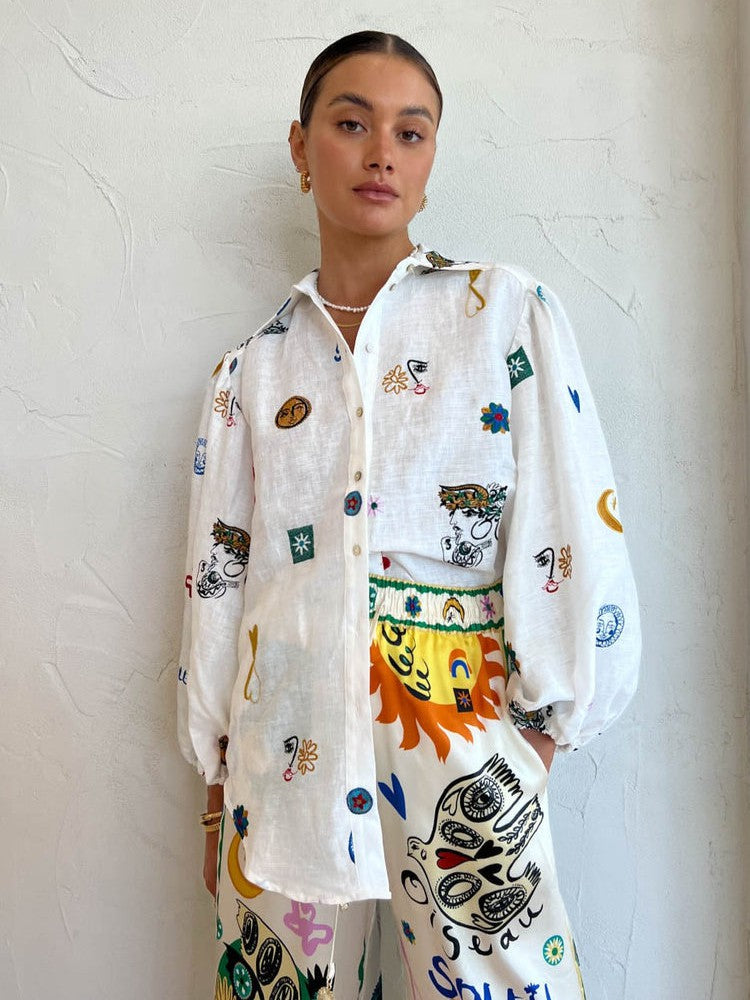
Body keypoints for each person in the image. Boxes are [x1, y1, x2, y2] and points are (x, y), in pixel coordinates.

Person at [177, 30, 641, 1000]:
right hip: (284, 748)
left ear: (431, 159)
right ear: (302, 148)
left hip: (459, 733)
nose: (382, 153)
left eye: (411, 131)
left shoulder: (502, 313)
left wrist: (536, 738)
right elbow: (221, 581)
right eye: (352, 124)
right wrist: (220, 778)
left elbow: (567, 524)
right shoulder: (254, 370)